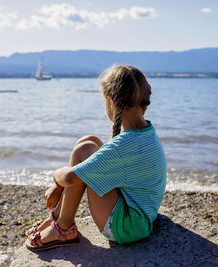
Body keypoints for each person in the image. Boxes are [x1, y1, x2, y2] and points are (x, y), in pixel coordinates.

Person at [25, 65, 166, 250]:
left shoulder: (122, 146)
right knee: (88, 142)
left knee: (82, 153)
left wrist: (57, 180)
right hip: (140, 215)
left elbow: (69, 178)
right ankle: (59, 219)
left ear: (112, 102)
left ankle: (63, 228)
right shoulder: (145, 132)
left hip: (128, 228)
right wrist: (61, 183)